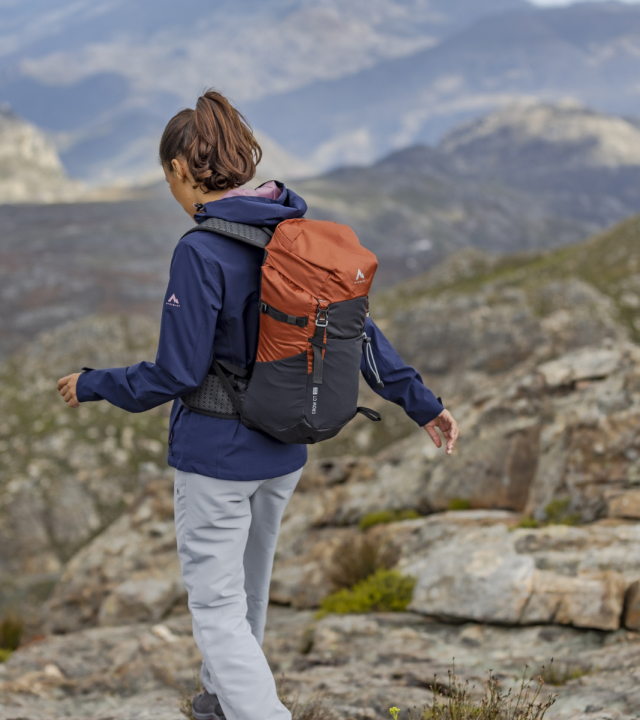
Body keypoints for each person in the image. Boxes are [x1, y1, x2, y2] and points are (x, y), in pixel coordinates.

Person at [57, 89, 459, 720]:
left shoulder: (199, 251)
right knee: (248, 591)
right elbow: (362, 338)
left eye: (168, 176)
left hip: (217, 457)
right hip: (284, 452)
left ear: (180, 172)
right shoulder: (298, 236)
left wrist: (93, 383)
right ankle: (220, 700)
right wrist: (424, 405)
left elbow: (175, 372)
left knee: (216, 609)